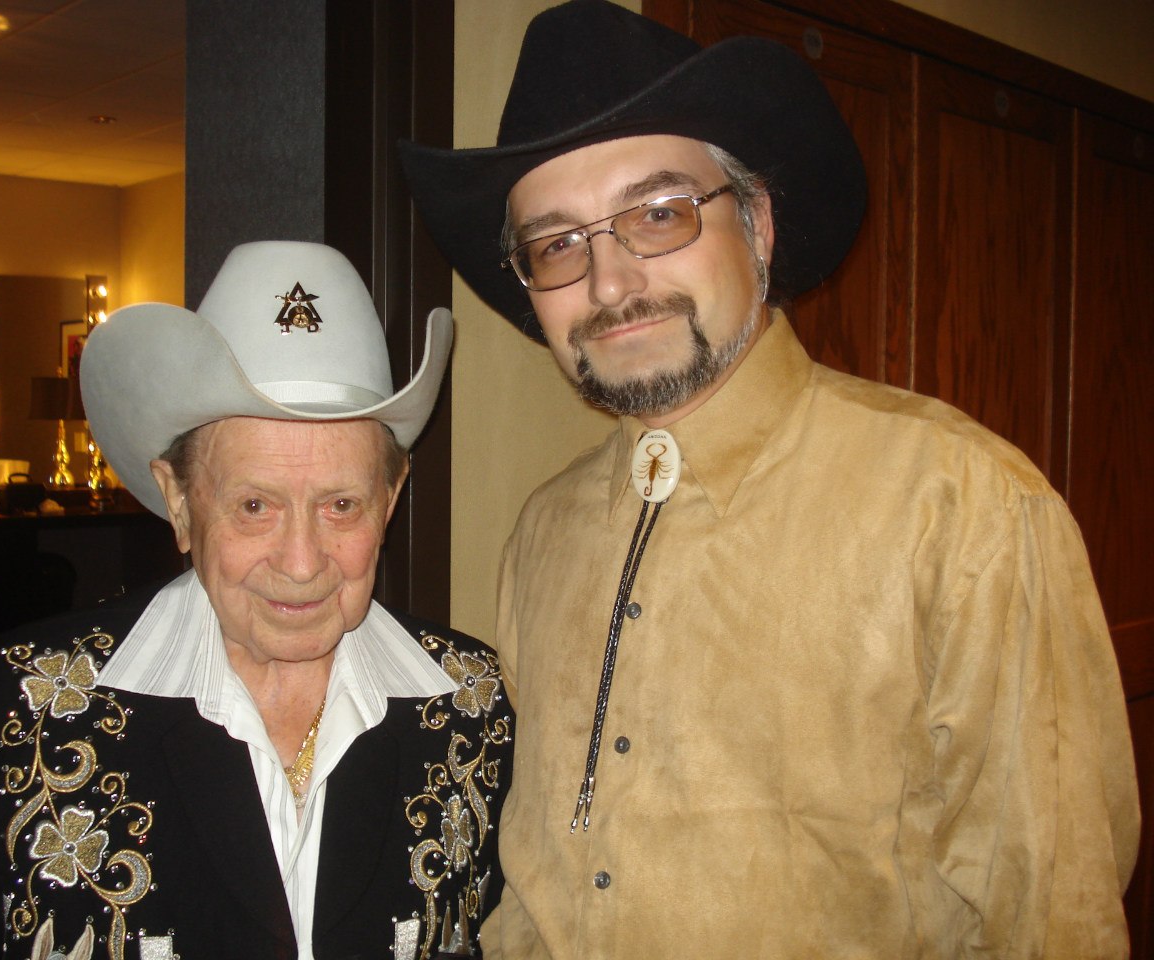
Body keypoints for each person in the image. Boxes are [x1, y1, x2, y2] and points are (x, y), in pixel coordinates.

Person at [399, 1, 1139, 957]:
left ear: (756, 224)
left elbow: (1055, 919)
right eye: (557, 244)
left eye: (658, 214)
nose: (610, 283)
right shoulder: (544, 531)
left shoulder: (963, 506)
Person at [0, 242, 513, 960]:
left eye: (341, 505)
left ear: (390, 498)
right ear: (180, 502)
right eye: (255, 505)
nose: (301, 563)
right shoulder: (17, 708)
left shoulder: (473, 706)